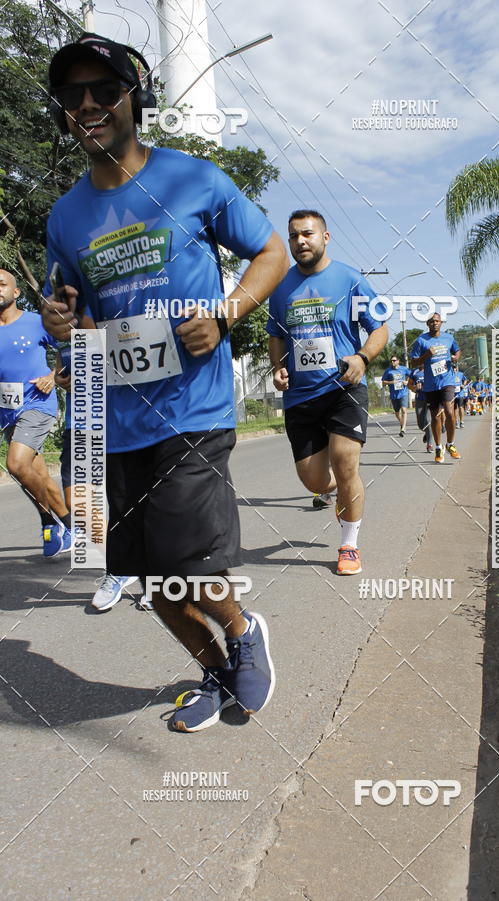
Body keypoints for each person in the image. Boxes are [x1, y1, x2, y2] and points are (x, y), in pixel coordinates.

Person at [42, 32, 288, 732]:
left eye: (103, 90)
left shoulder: (196, 179)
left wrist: (228, 310)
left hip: (193, 410)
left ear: (134, 100)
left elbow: (268, 252)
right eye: (72, 95)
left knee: (194, 570)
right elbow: (72, 305)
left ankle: (242, 633)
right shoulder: (64, 216)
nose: (88, 104)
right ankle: (214, 671)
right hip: (115, 422)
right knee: (152, 583)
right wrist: (61, 319)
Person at [268, 209, 388, 575]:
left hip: (343, 387)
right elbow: (275, 335)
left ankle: (349, 544)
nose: (300, 241)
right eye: (293, 236)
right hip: (301, 397)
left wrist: (363, 357)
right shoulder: (281, 287)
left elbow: (379, 327)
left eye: (307, 234)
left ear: (325, 237)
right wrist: (278, 368)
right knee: (315, 481)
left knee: (345, 460)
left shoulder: (350, 280)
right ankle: (337, 485)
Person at [56, 349, 153, 612]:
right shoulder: (65, 311)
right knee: (77, 499)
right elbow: (61, 355)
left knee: (136, 500)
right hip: (80, 421)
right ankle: (121, 566)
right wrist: (59, 378)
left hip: (127, 416)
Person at [0, 269, 72, 556]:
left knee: (17, 465)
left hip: (37, 403)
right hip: (7, 411)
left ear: (16, 292)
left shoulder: (35, 322)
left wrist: (54, 375)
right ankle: (62, 527)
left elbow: (67, 346)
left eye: (2, 284)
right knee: (36, 476)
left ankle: (58, 524)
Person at [410, 312, 461, 464]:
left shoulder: (449, 338)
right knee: (435, 417)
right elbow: (413, 363)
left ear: (441, 322)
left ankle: (450, 444)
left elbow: (457, 351)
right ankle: (438, 447)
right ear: (427, 324)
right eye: (431, 321)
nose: (435, 323)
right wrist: (426, 355)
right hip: (431, 384)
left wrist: (455, 357)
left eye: (437, 321)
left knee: (449, 411)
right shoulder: (421, 340)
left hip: (447, 380)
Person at [381, 354, 411, 436]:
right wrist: (391, 382)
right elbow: (383, 382)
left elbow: (411, 375)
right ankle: (402, 423)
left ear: (398, 361)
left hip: (403, 392)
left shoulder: (404, 369)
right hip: (394, 394)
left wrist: (407, 382)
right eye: (391, 361)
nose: (392, 362)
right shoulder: (388, 371)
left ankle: (403, 429)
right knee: (397, 413)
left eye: (394, 360)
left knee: (404, 410)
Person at [407, 366, 432, 451]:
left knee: (428, 421)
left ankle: (429, 444)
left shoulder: (431, 368)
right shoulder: (414, 372)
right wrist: (414, 388)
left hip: (430, 398)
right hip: (419, 399)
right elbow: (409, 385)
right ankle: (427, 433)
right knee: (421, 424)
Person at [451, 363, 468, 429]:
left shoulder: (460, 374)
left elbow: (465, 380)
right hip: (452, 394)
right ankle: (456, 422)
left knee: (461, 407)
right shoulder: (449, 375)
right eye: (453, 367)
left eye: (455, 367)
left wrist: (463, 384)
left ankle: (462, 421)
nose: (454, 369)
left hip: (460, 393)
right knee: (455, 409)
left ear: (457, 368)